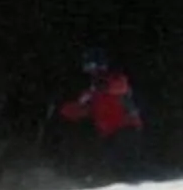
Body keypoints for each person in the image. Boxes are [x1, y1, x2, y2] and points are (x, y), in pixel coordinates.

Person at [52, 49, 145, 177]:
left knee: (126, 163)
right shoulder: (91, 92)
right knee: (113, 165)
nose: (92, 72)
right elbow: (83, 110)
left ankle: (139, 179)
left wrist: (102, 86)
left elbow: (121, 87)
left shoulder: (115, 79)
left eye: (93, 67)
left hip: (126, 128)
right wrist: (62, 108)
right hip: (108, 134)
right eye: (88, 68)